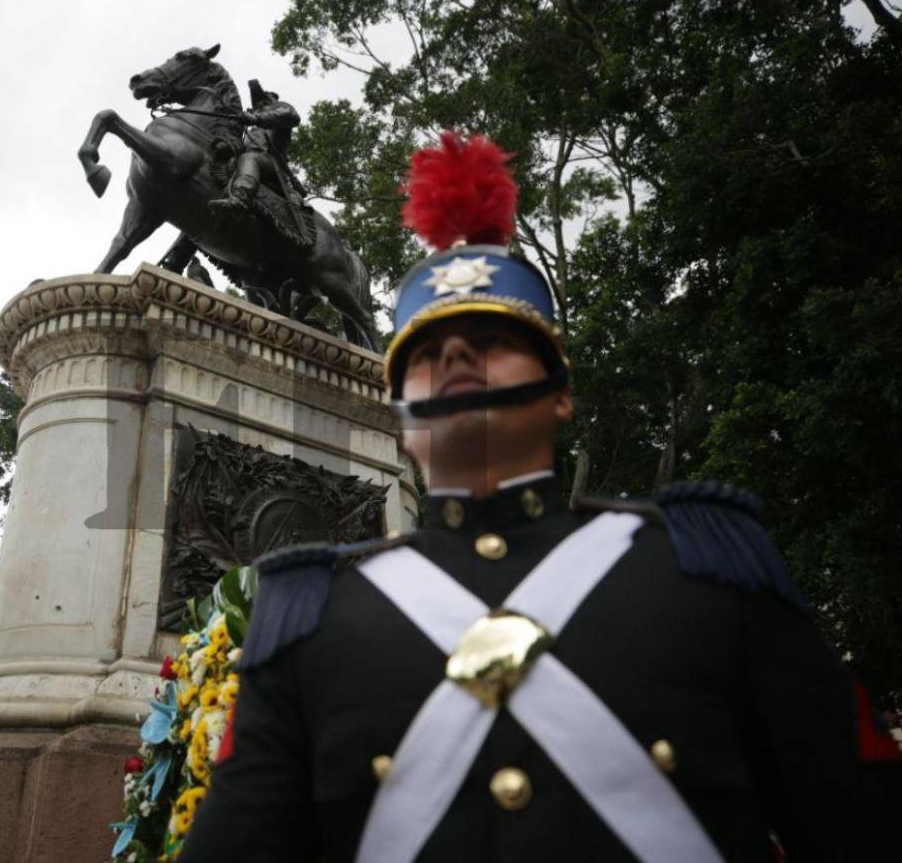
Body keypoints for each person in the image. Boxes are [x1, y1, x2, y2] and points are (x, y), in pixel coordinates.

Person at [180, 132, 857, 862]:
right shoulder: (307, 616)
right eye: (429, 353)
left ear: (560, 394)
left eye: (491, 338)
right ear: (400, 417)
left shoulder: (708, 564)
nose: (458, 356)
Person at [208, 80, 305, 217]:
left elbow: (291, 116)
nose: (259, 106)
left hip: (271, 164)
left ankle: (240, 198)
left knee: (249, 158)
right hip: (243, 161)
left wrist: (257, 118)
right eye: (257, 104)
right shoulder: (251, 128)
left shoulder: (283, 111)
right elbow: (239, 142)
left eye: (264, 102)